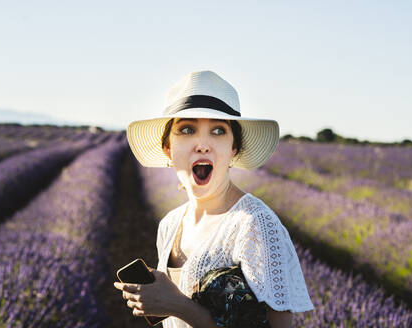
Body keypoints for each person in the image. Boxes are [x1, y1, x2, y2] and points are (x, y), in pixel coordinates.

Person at [114, 70, 314, 328]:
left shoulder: (255, 226)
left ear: (233, 149)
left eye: (218, 131)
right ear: (168, 148)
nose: (203, 144)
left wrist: (177, 305)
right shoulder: (170, 224)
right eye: (187, 129)